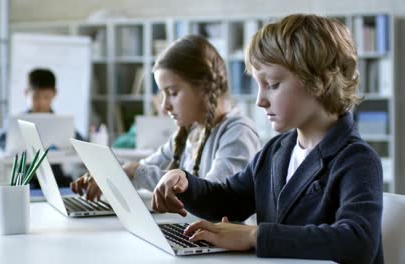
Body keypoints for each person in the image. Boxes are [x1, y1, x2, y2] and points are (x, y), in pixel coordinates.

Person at [152, 14, 383, 264]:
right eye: (258, 86)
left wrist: (255, 236)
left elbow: (357, 242)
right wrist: (185, 183)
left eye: (272, 84)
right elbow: (229, 199)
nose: (260, 101)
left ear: (320, 81)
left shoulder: (356, 160)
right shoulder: (276, 150)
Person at [71, 35, 261, 201]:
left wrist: (134, 171)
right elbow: (145, 168)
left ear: (204, 87)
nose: (164, 106)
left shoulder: (238, 132)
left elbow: (213, 196)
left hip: (223, 242)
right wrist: (108, 174)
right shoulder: (190, 132)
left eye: (172, 93)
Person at [0, 68, 84, 187]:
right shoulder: (17, 123)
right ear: (26, 93)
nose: (41, 103)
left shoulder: (61, 123)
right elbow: (0, 142)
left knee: (71, 186)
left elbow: (81, 142)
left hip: (56, 178)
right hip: (27, 178)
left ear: (54, 94)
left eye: (46, 97)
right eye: (35, 97)